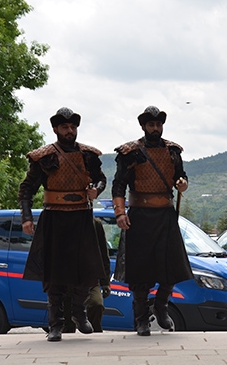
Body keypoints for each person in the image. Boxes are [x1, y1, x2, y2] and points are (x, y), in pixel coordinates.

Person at [19, 107, 107, 342]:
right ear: (56, 129)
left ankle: (79, 311)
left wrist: (96, 189)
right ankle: (56, 324)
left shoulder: (89, 155)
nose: (70, 131)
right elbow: (27, 189)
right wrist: (27, 217)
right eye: (65, 127)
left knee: (87, 271)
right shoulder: (44, 157)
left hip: (81, 217)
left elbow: (101, 178)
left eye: (73, 127)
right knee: (55, 274)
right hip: (55, 218)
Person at [111, 106, 193, 336]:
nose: (155, 128)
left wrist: (183, 184)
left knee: (172, 264)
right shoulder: (131, 152)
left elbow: (181, 175)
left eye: (158, 124)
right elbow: (118, 184)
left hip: (166, 213)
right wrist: (120, 213)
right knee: (140, 271)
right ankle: (141, 319)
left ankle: (162, 305)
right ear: (143, 126)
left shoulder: (173, 151)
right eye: (151, 125)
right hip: (140, 215)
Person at [85, 217, 112, 332]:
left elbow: (103, 254)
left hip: (91, 277)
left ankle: (95, 332)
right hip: (70, 277)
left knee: (97, 304)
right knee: (68, 315)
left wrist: (105, 282)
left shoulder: (95, 224)